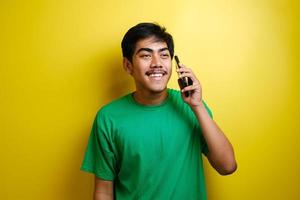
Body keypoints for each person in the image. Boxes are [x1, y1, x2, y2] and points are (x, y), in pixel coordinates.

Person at [81, 22, 237, 200]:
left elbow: (227, 166)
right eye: (146, 55)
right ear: (127, 65)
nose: (157, 63)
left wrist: (197, 105)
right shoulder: (108, 118)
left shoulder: (192, 107)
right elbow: (103, 191)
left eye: (164, 55)